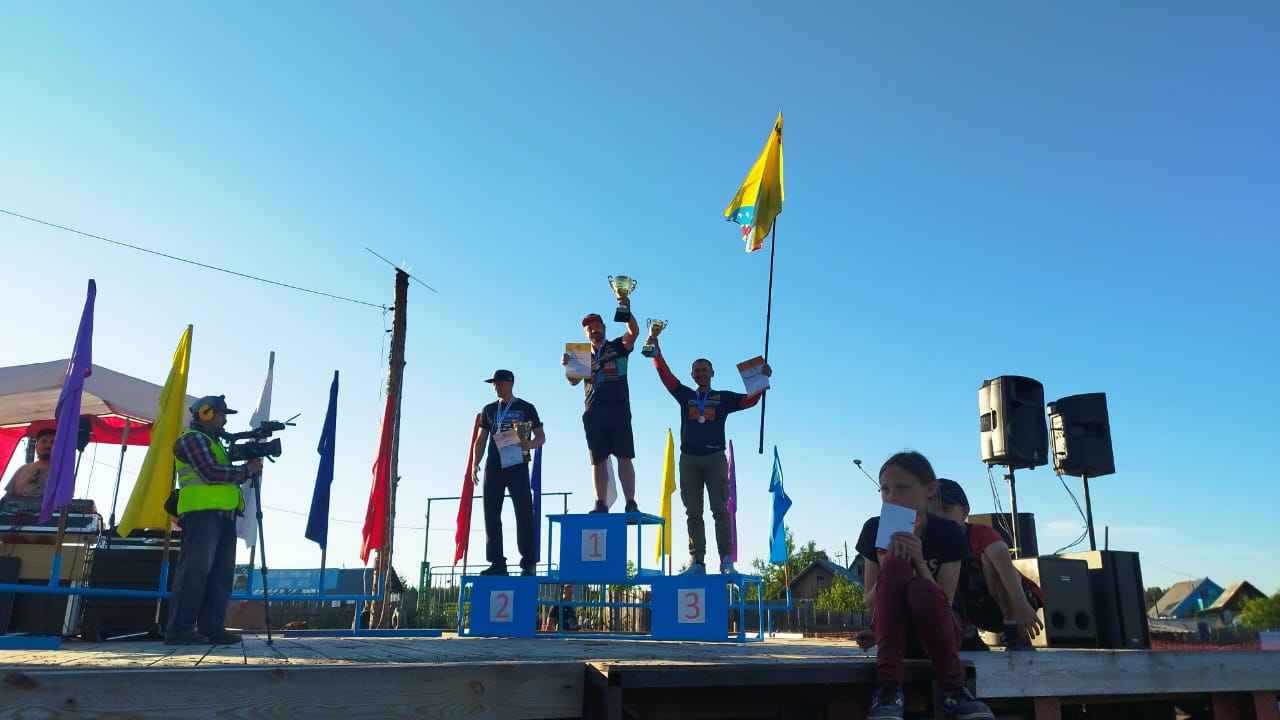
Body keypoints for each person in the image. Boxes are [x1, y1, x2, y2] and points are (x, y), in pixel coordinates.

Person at [855, 451, 995, 720]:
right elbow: (870, 603)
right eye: (885, 489)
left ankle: (954, 688)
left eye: (902, 488)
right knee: (895, 568)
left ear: (929, 489)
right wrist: (888, 566)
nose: (891, 497)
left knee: (921, 589)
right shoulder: (875, 528)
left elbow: (943, 601)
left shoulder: (947, 532)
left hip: (939, 632)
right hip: (896, 638)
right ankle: (888, 689)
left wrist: (919, 562)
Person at [650, 338, 770, 575]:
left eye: (705, 370)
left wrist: (762, 378)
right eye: (697, 371)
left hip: (715, 458)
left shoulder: (722, 398)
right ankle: (697, 561)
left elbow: (750, 400)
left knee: (720, 509)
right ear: (692, 375)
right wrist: (656, 355)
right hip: (689, 460)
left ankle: (726, 560)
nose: (701, 374)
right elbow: (666, 377)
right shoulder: (685, 395)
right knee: (693, 511)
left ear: (712, 373)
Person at [164, 395, 262, 645]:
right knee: (194, 572)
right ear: (205, 413)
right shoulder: (192, 439)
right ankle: (179, 630)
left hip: (223, 515)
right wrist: (247, 470)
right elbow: (211, 473)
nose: (225, 420)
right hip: (201, 514)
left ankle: (212, 628)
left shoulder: (212, 442)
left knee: (221, 575)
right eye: (221, 415)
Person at [936, 478, 1043, 651]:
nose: (939, 516)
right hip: (974, 607)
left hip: (1014, 598)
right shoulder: (932, 540)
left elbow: (1005, 567)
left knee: (990, 560)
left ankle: (1015, 632)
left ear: (964, 512)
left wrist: (1021, 604)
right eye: (933, 510)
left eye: (946, 509)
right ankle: (967, 635)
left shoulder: (980, 534)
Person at [561, 302, 640, 513]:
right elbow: (573, 382)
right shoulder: (581, 355)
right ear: (585, 333)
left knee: (624, 456)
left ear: (604, 328)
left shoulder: (617, 346)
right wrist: (568, 366)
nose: (594, 330)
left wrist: (626, 310)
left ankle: (630, 502)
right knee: (598, 460)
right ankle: (600, 502)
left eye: (597, 326)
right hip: (593, 412)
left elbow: (634, 332)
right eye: (590, 328)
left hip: (618, 409)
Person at [471, 369, 546, 576]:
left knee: (523, 511)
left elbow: (541, 436)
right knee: (491, 513)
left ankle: (528, 562)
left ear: (510, 383)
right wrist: (475, 463)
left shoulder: (526, 407)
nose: (496, 386)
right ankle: (497, 563)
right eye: (493, 383)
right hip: (494, 465)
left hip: (516, 464)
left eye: (499, 383)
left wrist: (529, 444)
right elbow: (481, 439)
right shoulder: (489, 409)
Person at [2, 427, 55, 503]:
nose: (47, 445)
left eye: (53, 442)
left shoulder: (64, 473)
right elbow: (7, 498)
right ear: (36, 447)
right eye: (44, 441)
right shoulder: (22, 469)